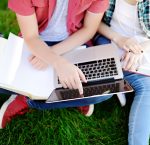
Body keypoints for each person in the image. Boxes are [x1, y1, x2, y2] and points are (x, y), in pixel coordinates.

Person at [0, 0, 110, 129]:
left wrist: (52, 56)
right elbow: (30, 37)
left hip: (74, 42)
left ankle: (27, 100)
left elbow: (89, 30)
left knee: (105, 91)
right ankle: (72, 98)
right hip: (36, 44)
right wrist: (57, 61)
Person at [94, 0, 150, 145]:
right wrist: (118, 38)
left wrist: (141, 48)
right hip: (110, 40)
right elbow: (93, 22)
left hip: (142, 45)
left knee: (148, 90)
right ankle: (119, 78)